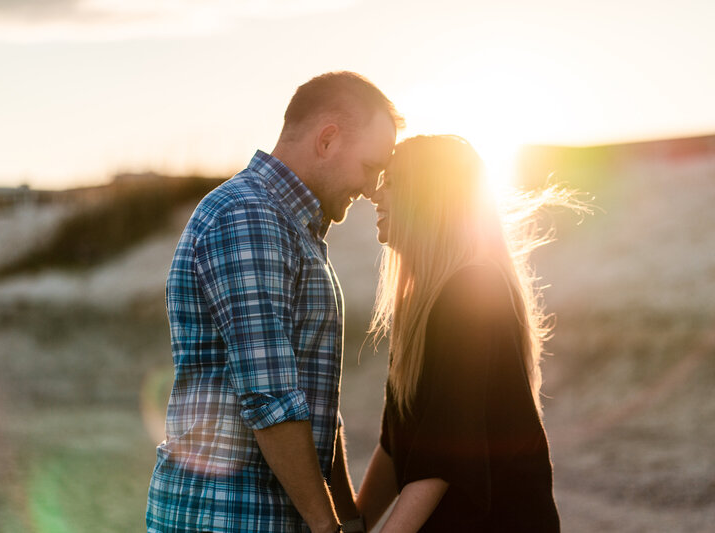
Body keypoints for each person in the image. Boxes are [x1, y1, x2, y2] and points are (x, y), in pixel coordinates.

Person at [146, 72, 402, 533]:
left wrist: (349, 518)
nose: (370, 188)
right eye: (370, 166)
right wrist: (328, 528)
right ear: (327, 140)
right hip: (226, 518)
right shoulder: (250, 217)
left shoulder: (290, 228)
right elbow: (272, 398)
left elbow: (315, 409)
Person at [356, 135, 563, 532]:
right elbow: (395, 439)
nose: (375, 194)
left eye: (393, 182)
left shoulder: (470, 292)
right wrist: (355, 523)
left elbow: (444, 455)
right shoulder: (424, 300)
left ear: (431, 197)